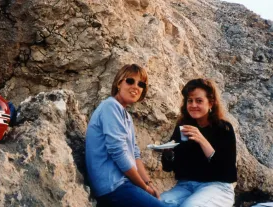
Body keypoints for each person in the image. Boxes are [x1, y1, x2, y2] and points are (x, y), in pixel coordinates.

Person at [85, 64, 165, 207]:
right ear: (118, 83)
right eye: (130, 81)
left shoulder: (126, 116)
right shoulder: (110, 106)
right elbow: (118, 153)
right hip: (112, 187)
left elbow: (135, 154)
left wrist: (149, 184)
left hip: (124, 184)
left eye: (141, 84)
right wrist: (144, 188)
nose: (135, 87)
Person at [160, 78, 237, 207]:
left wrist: (202, 140)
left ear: (211, 103)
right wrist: (168, 154)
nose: (193, 105)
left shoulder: (223, 128)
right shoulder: (183, 126)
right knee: (155, 203)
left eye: (199, 101)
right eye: (190, 101)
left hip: (217, 187)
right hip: (186, 186)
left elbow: (227, 171)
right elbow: (168, 168)